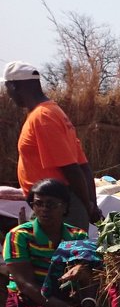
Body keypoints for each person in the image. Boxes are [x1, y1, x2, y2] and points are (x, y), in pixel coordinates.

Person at [3, 179, 112, 307]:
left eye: (51, 204)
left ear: (65, 207)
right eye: (38, 203)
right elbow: (25, 285)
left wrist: (87, 306)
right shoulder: (20, 236)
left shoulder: (75, 235)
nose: (44, 209)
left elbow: (87, 274)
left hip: (63, 302)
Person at [5, 61, 100, 231]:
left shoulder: (43, 117)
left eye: (7, 87)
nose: (7, 94)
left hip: (55, 211)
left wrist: (88, 206)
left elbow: (71, 168)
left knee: (56, 257)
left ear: (13, 86)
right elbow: (83, 166)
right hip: (55, 207)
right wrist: (91, 204)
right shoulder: (53, 112)